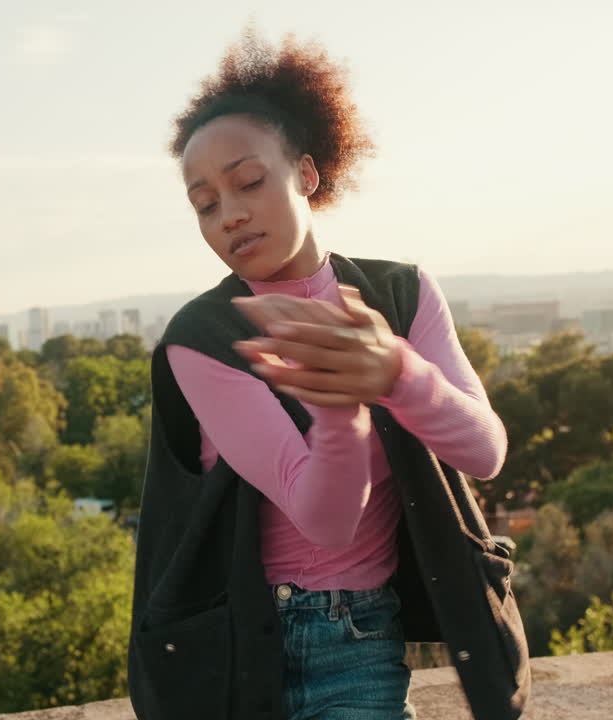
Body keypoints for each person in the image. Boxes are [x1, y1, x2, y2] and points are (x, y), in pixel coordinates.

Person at [128, 29, 530, 720]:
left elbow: (484, 451)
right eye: (204, 203)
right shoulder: (206, 337)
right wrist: (343, 402)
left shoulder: (400, 295)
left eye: (248, 182)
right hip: (230, 651)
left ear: (306, 174)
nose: (231, 214)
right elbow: (324, 518)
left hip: (357, 638)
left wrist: (396, 372)